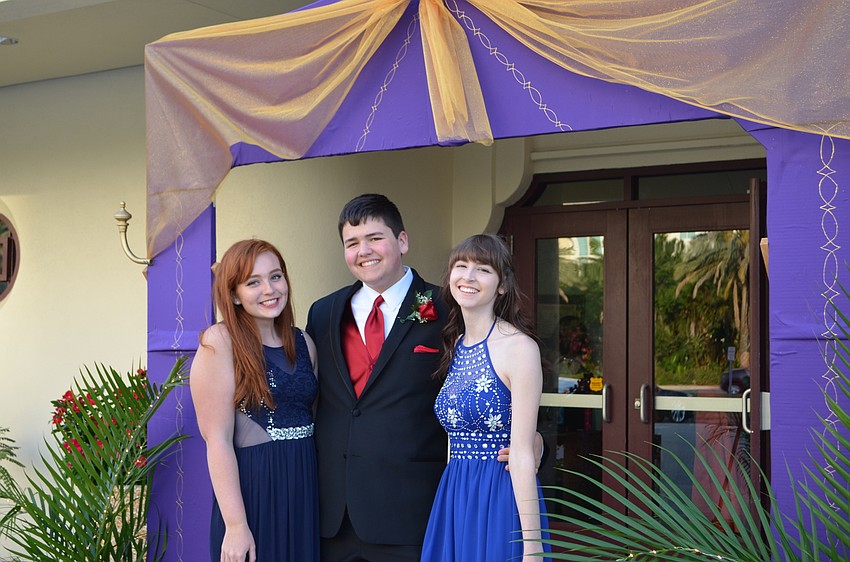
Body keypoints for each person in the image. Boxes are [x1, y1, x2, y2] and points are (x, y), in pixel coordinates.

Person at [306, 194, 448, 562]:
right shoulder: (323, 312)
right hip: (333, 516)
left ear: (402, 241)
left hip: (409, 513)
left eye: (374, 238)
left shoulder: (444, 308)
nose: (364, 251)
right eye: (352, 243)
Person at [420, 234, 550, 562]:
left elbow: (522, 454)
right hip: (455, 494)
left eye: (483, 269)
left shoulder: (520, 348)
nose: (469, 276)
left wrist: (532, 548)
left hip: (500, 495)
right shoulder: (457, 344)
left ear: (502, 285)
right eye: (461, 266)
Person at [190, 239, 319, 562]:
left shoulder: (304, 342)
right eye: (253, 282)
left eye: (275, 276)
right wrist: (236, 525)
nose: (269, 289)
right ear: (234, 294)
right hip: (255, 495)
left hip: (303, 491)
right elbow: (217, 440)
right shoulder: (219, 342)